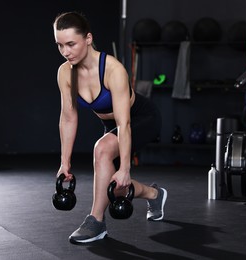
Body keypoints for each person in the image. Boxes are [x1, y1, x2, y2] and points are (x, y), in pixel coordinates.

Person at [53, 11, 167, 244]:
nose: (66, 52)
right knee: (113, 188)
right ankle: (154, 194)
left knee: (102, 150)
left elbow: (124, 124)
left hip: (141, 119)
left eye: (71, 44)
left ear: (88, 38)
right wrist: (65, 163)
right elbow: (68, 117)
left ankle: (95, 221)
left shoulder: (113, 70)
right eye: (60, 45)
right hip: (112, 126)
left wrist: (125, 167)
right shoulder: (65, 72)